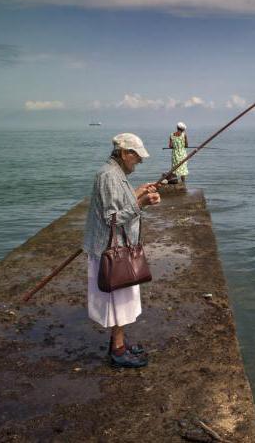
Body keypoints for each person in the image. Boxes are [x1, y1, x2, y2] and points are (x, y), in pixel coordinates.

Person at [83, 133, 161, 368]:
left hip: (116, 248)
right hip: (112, 251)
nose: (140, 162)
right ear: (125, 153)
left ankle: (119, 344)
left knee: (121, 300)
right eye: (137, 157)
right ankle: (118, 351)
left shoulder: (117, 173)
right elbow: (112, 218)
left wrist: (137, 192)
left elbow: (117, 203)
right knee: (120, 302)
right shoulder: (109, 175)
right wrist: (141, 204)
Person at [168, 121, 189, 188]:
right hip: (182, 153)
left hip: (175, 154)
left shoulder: (172, 135)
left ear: (177, 128)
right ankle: (183, 183)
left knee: (175, 168)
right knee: (183, 168)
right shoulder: (184, 135)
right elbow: (186, 145)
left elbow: (170, 146)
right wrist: (181, 145)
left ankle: (175, 181)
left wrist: (175, 146)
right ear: (183, 129)